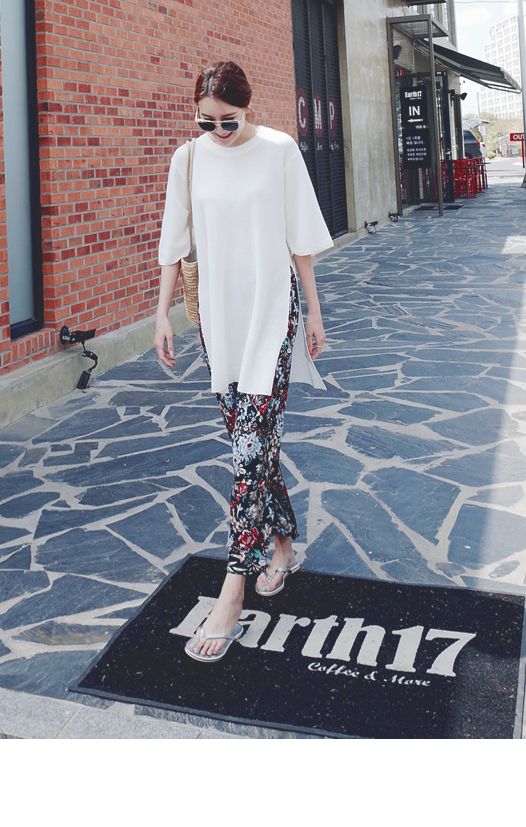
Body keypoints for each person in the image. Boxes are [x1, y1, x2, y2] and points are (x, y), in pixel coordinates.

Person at [154, 60, 333, 663]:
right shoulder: (188, 159)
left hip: (272, 315)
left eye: (227, 121)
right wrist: (162, 315)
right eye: (205, 121)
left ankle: (232, 588)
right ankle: (282, 544)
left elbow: (300, 239)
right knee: (252, 446)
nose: (217, 132)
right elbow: (174, 244)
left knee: (249, 450)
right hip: (219, 322)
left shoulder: (279, 151)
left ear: (246, 106)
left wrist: (314, 310)